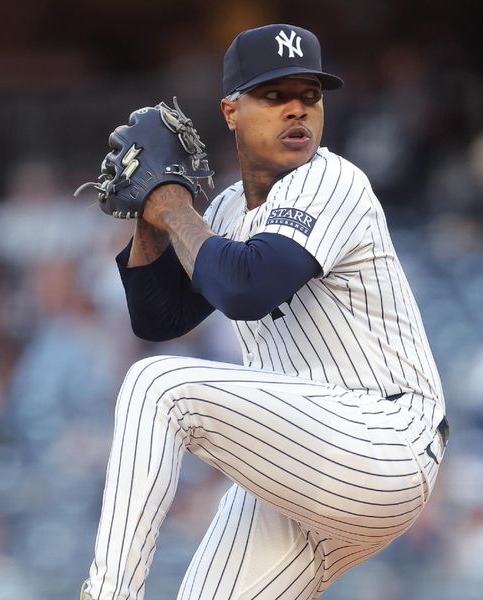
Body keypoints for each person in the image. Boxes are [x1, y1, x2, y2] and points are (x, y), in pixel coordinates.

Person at [80, 23, 448, 600]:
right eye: (275, 96)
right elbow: (158, 319)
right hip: (300, 467)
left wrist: (171, 204)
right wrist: (151, 214)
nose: (297, 110)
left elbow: (247, 286)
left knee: (159, 386)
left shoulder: (333, 181)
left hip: (382, 441)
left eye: (310, 95)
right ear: (231, 111)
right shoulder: (226, 207)